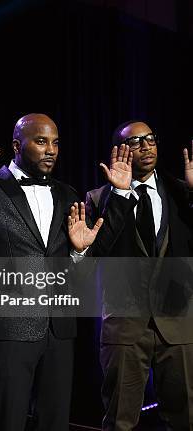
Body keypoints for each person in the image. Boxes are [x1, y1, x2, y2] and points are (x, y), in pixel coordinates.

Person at [0, 114, 103, 431]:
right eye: (41, 141)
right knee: (8, 420)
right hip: (8, 327)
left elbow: (78, 279)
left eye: (56, 143)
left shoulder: (69, 195)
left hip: (59, 329)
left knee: (56, 421)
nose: (51, 150)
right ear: (18, 146)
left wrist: (79, 252)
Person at [85, 121, 193, 430]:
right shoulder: (98, 199)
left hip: (178, 323)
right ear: (119, 151)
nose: (145, 146)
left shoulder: (181, 191)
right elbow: (94, 255)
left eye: (150, 139)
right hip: (124, 326)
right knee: (120, 419)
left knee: (185, 416)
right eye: (135, 142)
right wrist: (119, 196)